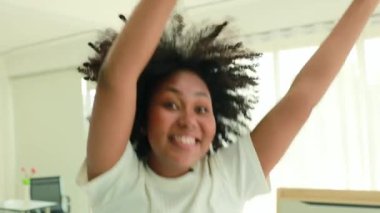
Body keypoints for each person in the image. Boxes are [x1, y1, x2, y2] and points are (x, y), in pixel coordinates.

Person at [76, 0, 380, 212]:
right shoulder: (115, 180)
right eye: (171, 104)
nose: (188, 120)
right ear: (141, 119)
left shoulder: (229, 177)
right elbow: (116, 79)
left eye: (201, 109)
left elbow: (303, 95)